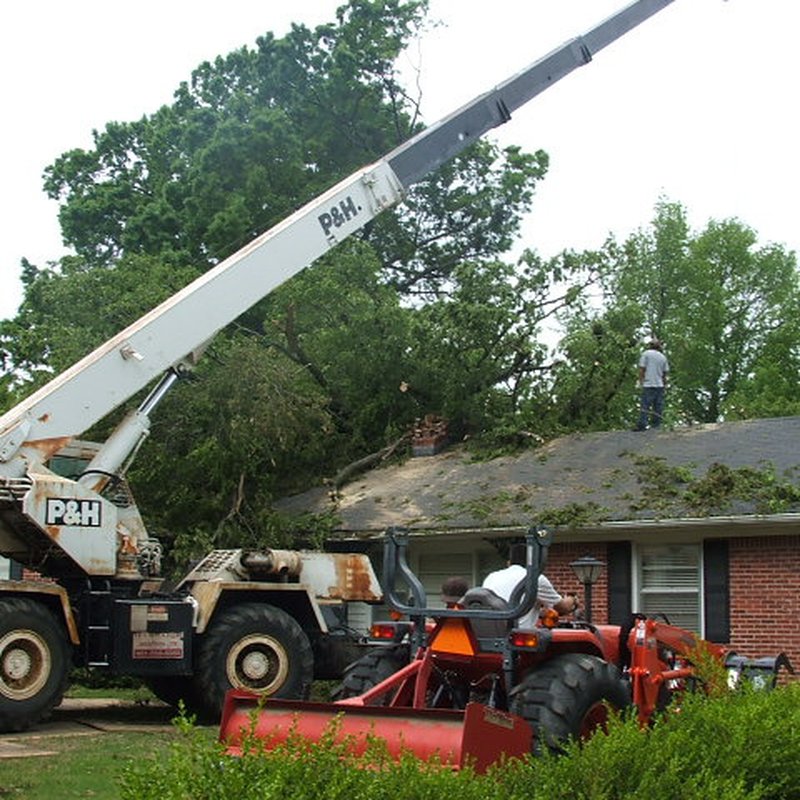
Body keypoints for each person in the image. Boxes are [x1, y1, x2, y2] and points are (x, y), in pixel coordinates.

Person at [482, 543, 579, 627]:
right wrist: (572, 599)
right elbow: (563, 607)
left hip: (491, 632)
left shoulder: (491, 577)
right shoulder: (535, 578)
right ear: (533, 562)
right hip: (519, 634)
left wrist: (539, 612)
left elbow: (506, 606)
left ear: (509, 563)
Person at [636, 338, 669, 430]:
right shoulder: (663, 357)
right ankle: (656, 425)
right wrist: (665, 385)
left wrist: (640, 381)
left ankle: (642, 424)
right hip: (659, 385)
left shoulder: (646, 354)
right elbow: (664, 373)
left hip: (648, 383)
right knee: (658, 406)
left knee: (645, 405)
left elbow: (642, 369)